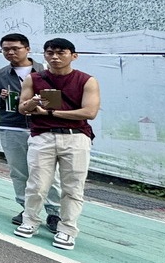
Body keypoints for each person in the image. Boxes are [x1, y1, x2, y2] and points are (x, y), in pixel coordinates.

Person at [15, 38, 101, 251]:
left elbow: (90, 112)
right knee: (37, 183)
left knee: (73, 186)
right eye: (50, 52)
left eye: (61, 52)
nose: (54, 57)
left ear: (74, 55)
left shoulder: (87, 80)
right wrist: (33, 102)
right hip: (42, 135)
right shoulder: (33, 78)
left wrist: (52, 112)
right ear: (44, 55)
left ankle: (67, 229)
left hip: (76, 136)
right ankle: (30, 221)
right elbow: (22, 108)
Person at [0, 33, 61, 231]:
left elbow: (59, 98)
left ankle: (54, 213)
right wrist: (0, 99)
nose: (10, 52)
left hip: (43, 126)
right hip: (11, 126)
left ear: (27, 49)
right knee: (19, 172)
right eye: (5, 49)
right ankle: (27, 210)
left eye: (15, 48)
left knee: (49, 172)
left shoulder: (47, 71)